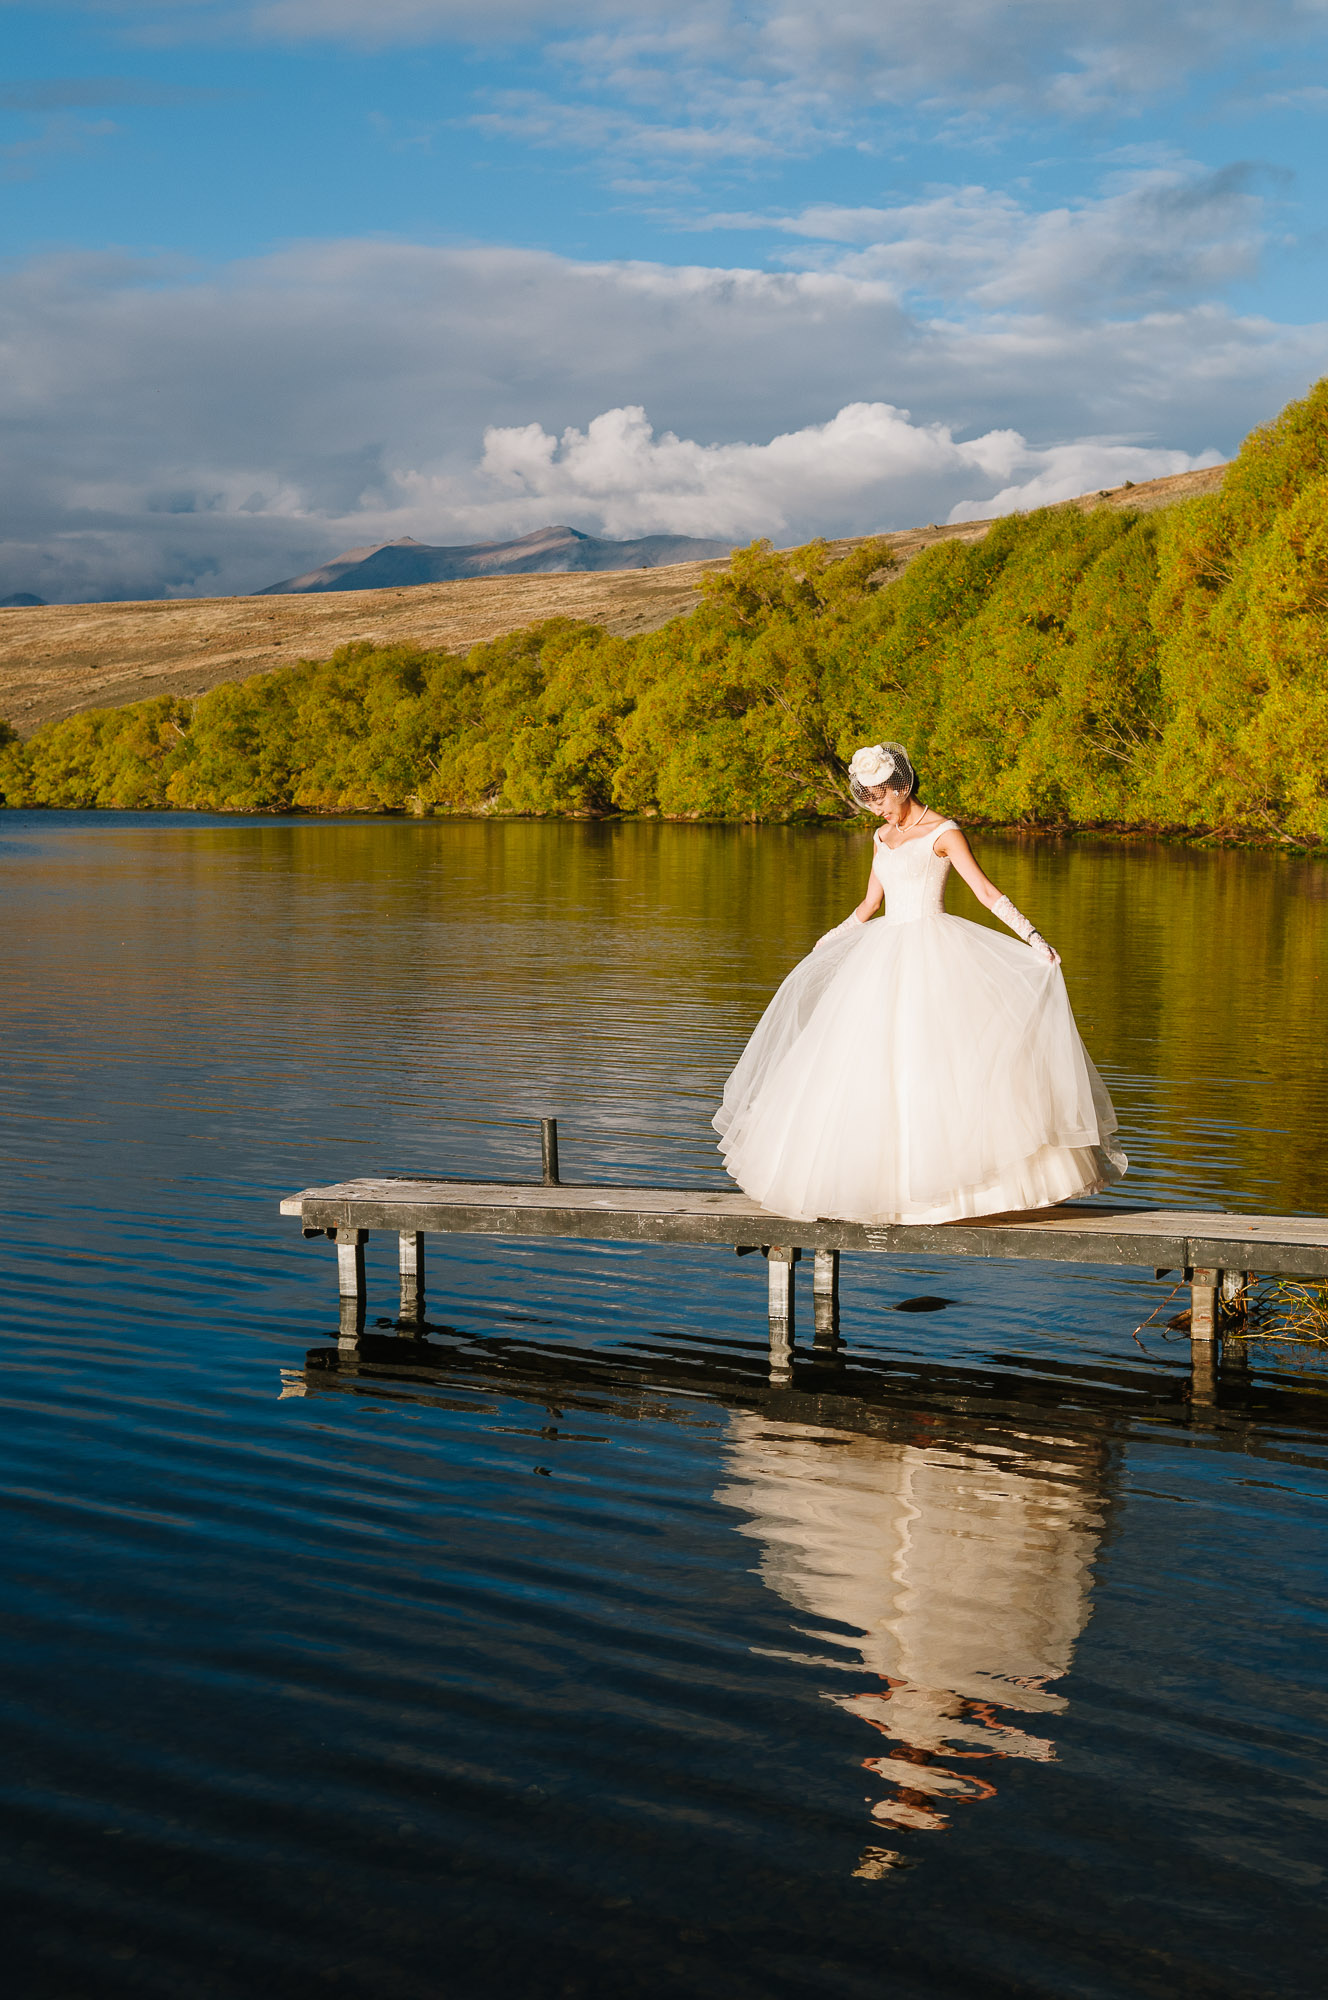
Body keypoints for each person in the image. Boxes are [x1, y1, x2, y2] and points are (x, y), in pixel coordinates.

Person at [713, 741, 1125, 1224]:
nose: (875, 806)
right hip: (881, 955)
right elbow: (869, 907)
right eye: (868, 798)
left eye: (880, 796)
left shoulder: (945, 833)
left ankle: (964, 1190)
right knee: (867, 1065)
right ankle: (873, 1186)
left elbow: (986, 891)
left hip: (936, 951)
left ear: (902, 785)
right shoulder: (880, 837)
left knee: (941, 1064)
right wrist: (829, 940)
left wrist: (1034, 937)